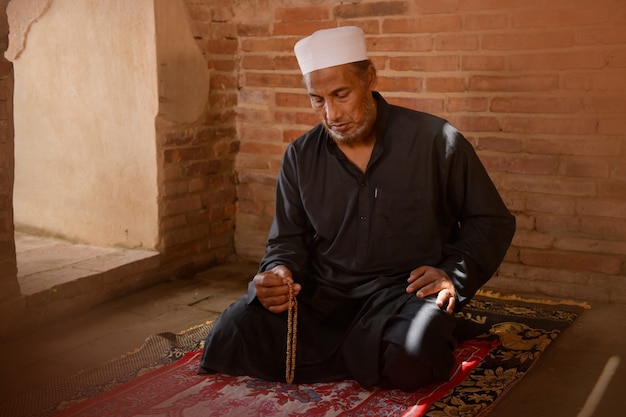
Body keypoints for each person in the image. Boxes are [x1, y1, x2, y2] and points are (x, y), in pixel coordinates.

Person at [198, 26, 516, 391]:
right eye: (317, 99)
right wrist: (279, 271)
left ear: (369, 78)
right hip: (326, 295)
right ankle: (366, 353)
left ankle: (416, 335)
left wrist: (451, 275)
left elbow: (491, 220)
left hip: (404, 295)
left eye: (341, 94)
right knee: (229, 335)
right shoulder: (300, 156)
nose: (331, 114)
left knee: (411, 359)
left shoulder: (436, 140)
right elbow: (287, 240)